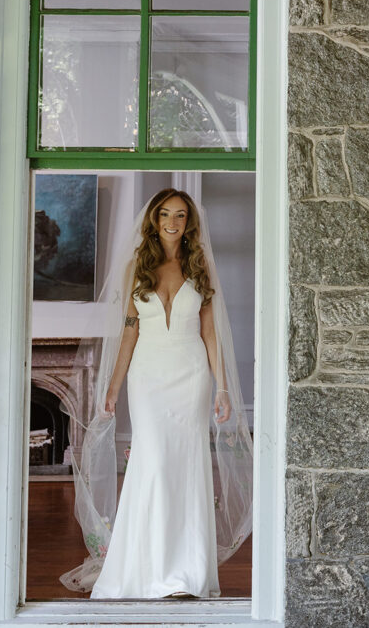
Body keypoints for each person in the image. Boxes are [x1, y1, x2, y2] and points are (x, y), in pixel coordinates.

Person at [60, 189, 253, 598]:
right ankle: (142, 568)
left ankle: (186, 573)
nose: (172, 222)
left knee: (187, 465)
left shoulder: (200, 266)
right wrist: (112, 385)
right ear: (154, 219)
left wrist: (221, 386)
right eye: (165, 214)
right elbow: (130, 330)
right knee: (154, 463)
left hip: (192, 374)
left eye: (180, 215)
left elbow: (210, 332)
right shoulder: (138, 266)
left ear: (189, 223)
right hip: (147, 376)